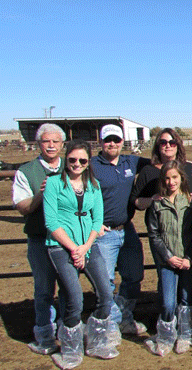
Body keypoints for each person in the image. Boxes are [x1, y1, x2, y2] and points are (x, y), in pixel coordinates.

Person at [43, 140, 118, 369]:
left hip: (88, 245)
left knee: (105, 293)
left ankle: (96, 342)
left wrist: (85, 246)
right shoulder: (54, 183)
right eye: (73, 159)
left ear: (88, 162)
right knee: (74, 299)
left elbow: (97, 219)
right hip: (60, 247)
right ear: (66, 160)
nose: (77, 164)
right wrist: (73, 248)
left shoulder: (93, 185)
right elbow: (51, 221)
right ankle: (70, 350)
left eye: (82, 160)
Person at [91, 124, 150, 336]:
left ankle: (124, 316)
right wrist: (93, 224)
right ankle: (110, 323)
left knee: (134, 275)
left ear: (122, 141)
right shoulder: (91, 166)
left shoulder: (130, 161)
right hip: (103, 232)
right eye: (108, 140)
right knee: (105, 282)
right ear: (101, 142)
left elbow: (158, 163)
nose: (112, 144)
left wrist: (186, 164)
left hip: (127, 228)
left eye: (116, 140)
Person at [12, 123, 66, 355]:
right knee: (44, 289)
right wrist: (42, 194)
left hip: (67, 240)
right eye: (46, 141)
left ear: (62, 144)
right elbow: (23, 207)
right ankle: (44, 333)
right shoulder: (26, 171)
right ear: (38, 144)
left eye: (55, 141)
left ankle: (67, 330)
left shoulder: (74, 165)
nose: (51, 145)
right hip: (40, 238)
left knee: (68, 287)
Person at [144, 160, 192, 356]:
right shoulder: (157, 204)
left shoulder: (190, 202)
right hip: (167, 261)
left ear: (181, 178)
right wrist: (168, 257)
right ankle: (166, 336)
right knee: (168, 301)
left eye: (174, 177)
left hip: (186, 260)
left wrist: (189, 258)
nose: (171, 182)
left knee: (186, 297)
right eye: (166, 178)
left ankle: (185, 334)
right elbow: (154, 234)